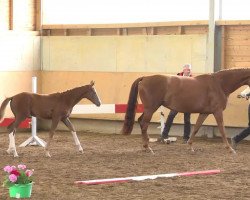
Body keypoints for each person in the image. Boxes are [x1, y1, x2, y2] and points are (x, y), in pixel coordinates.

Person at [159, 64, 192, 144]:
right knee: (171, 116)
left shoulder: (192, 79)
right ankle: (164, 135)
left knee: (187, 120)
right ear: (183, 70)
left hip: (187, 102)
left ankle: (186, 138)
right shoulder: (177, 77)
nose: (188, 71)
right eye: (187, 69)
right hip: (177, 101)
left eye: (189, 70)